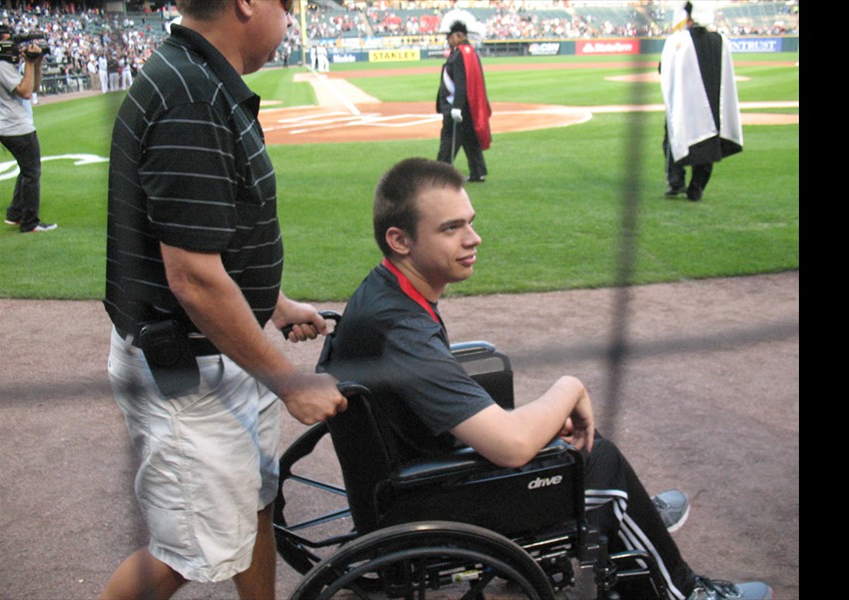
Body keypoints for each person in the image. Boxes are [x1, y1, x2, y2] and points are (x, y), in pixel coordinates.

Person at [317, 157, 773, 600]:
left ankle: (621, 512)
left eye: (469, 221)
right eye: (451, 228)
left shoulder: (385, 294)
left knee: (554, 432)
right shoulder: (403, 329)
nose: (473, 238)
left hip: (403, 477)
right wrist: (569, 387)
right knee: (596, 458)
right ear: (399, 239)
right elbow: (511, 446)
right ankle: (682, 589)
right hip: (421, 499)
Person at [101, 1, 347, 598]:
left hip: (217, 360)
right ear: (247, 3)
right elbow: (192, 276)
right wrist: (290, 383)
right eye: (286, 5)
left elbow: (215, 240)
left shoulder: (199, 78)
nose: (290, 18)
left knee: (254, 504)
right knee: (188, 551)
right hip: (191, 373)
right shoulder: (192, 96)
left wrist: (275, 303)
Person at [660, 1, 742, 201]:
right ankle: (696, 188)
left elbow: (664, 70)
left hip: (684, 104)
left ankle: (676, 180)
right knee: (707, 145)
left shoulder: (678, 41)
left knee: (674, 138)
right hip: (713, 105)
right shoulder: (721, 41)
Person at [0, 24, 56, 233]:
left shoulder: (7, 63)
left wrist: (36, 63)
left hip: (13, 125)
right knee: (32, 173)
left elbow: (34, 88)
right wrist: (29, 62)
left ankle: (14, 214)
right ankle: (30, 222)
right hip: (15, 127)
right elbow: (24, 91)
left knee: (26, 170)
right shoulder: (2, 65)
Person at [436, 20, 491, 183]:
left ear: (459, 36)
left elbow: (461, 82)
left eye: (450, 36)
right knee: (470, 140)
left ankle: (441, 175)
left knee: (448, 142)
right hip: (468, 108)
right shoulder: (469, 52)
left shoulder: (460, 54)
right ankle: (478, 171)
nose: (448, 40)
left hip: (457, 108)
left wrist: (456, 107)